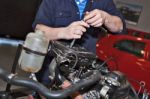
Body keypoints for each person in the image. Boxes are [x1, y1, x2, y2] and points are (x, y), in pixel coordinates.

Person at [32, 0, 126, 98]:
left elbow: (120, 27)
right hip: (50, 71)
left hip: (83, 76)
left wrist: (105, 18)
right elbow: (39, 29)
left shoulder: (103, 2)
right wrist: (64, 32)